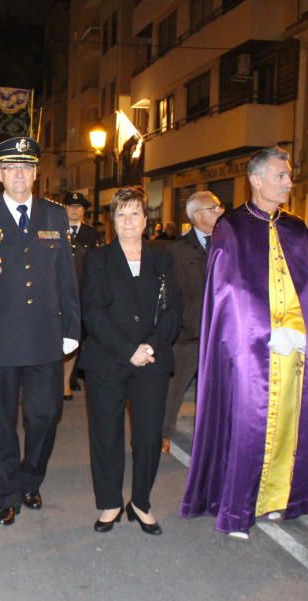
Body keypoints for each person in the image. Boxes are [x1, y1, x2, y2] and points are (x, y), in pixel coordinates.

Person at [180, 146, 308, 539]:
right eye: (280, 176)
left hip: (293, 349)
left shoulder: (296, 228)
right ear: (256, 180)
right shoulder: (232, 227)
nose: (289, 182)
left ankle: (277, 499)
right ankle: (238, 507)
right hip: (249, 350)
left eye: (289, 176)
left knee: (289, 423)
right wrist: (265, 330)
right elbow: (227, 292)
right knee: (248, 423)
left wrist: (298, 327)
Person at [0, 136, 80, 526]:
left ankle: (32, 479)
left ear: (35, 173)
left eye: (26, 168)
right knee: (0, 420)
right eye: (11, 168)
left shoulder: (54, 215)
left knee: (45, 415)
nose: (19, 175)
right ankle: (7, 492)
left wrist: (71, 327)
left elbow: (66, 278)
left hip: (46, 335)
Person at [80, 187, 182, 535]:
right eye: (121, 214)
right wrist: (129, 350)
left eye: (134, 213)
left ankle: (141, 502)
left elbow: (172, 309)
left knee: (149, 435)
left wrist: (150, 347)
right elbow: (92, 313)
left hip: (152, 360)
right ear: (112, 221)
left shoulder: (162, 257)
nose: (128, 220)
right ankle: (110, 501)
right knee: (106, 434)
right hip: (108, 360)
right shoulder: (98, 259)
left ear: (145, 220)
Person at [161, 191, 220, 453]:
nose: (220, 211)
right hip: (187, 335)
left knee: (215, 394)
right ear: (197, 215)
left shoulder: (228, 245)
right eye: (214, 208)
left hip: (220, 334)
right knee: (173, 392)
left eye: (220, 207)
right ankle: (162, 434)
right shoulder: (176, 251)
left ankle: (212, 441)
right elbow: (167, 295)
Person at [62, 191, 102, 400]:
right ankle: (60, 380)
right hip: (57, 293)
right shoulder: (54, 230)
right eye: (70, 205)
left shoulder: (92, 234)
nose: (74, 209)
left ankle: (69, 379)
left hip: (82, 294)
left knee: (76, 338)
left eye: (78, 206)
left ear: (84, 210)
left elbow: (98, 265)